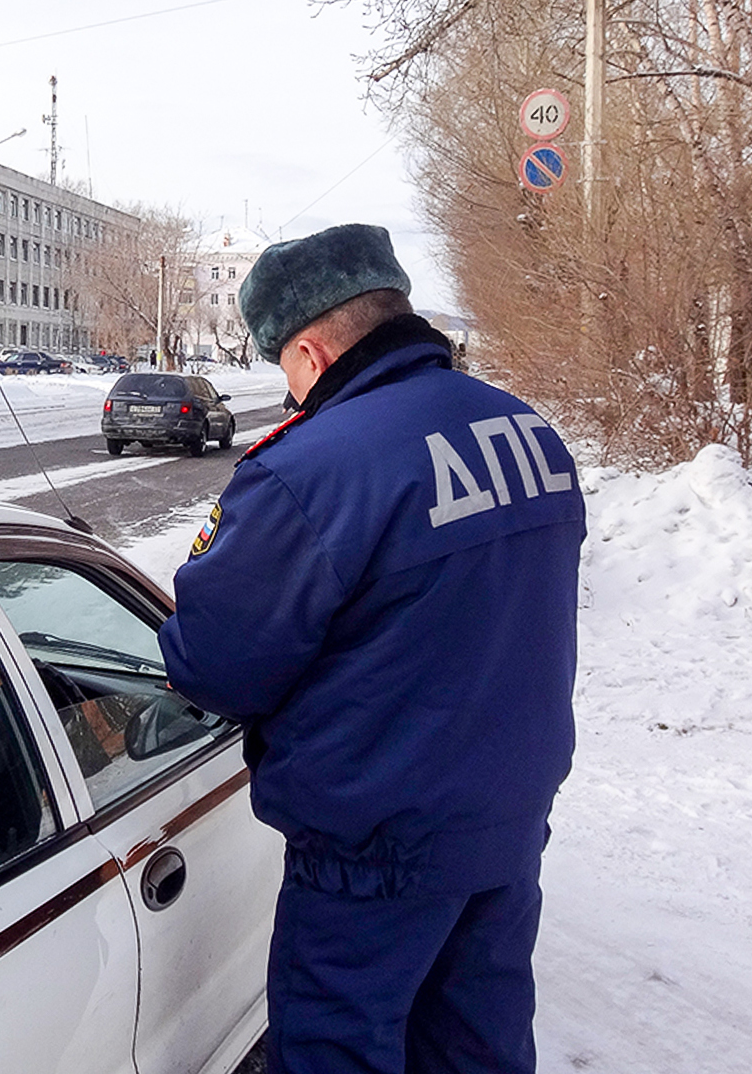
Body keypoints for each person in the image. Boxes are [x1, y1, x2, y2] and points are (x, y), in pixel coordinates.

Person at [156, 224, 586, 1074]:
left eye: (283, 366)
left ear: (311, 352)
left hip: (373, 851)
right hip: (505, 822)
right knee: (476, 1049)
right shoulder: (526, 430)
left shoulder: (311, 468)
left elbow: (216, 666)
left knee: (338, 1052)